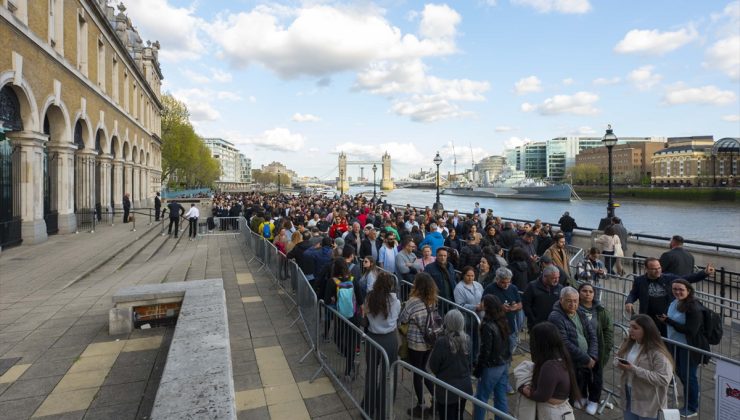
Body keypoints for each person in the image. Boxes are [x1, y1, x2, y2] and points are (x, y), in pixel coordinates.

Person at [625, 257, 714, 336]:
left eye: (659, 268)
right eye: (653, 269)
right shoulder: (640, 280)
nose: (658, 271)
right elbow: (633, 293)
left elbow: (686, 279)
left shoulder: (668, 278)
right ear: (646, 269)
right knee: (648, 340)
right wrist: (629, 301)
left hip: (666, 317)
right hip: (648, 317)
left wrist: (704, 273)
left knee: (667, 342)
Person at [656, 279, 707, 417]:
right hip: (674, 344)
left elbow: (690, 330)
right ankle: (693, 393)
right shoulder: (675, 302)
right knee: (680, 372)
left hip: (688, 347)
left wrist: (668, 321)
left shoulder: (693, 307)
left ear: (688, 291)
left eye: (681, 289)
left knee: (688, 375)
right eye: (675, 289)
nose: (677, 292)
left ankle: (692, 407)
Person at [547, 287, 599, 414]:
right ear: (561, 300)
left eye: (576, 301)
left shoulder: (580, 312)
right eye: (569, 301)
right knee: (567, 393)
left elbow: (592, 335)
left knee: (579, 389)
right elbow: (564, 343)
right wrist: (586, 358)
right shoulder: (556, 317)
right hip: (569, 362)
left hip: (584, 360)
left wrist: (592, 355)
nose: (573, 304)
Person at [615, 314, 674, 420]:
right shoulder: (628, 343)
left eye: (635, 328)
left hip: (649, 401)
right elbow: (617, 357)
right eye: (630, 327)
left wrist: (633, 369)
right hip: (629, 394)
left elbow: (664, 378)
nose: (630, 330)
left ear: (646, 330)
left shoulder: (658, 353)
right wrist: (618, 363)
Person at [519, 322, 579, 420]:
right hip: (561, 411)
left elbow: (541, 396)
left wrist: (522, 389)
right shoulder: (561, 358)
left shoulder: (550, 366)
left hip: (552, 414)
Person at [361, 271, 401, 419]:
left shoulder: (369, 298)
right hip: (389, 339)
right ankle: (384, 410)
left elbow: (365, 314)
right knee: (389, 375)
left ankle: (368, 407)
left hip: (373, 338)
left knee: (371, 373)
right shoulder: (395, 301)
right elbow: (396, 319)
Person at [398, 273, 438, 417]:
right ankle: (436, 399)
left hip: (416, 343)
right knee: (424, 370)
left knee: (417, 372)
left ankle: (420, 405)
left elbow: (403, 318)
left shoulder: (413, 301)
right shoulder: (432, 300)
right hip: (429, 342)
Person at [428, 310, 473, 420]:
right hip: (464, 388)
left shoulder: (442, 342)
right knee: (459, 415)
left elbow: (433, 366)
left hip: (446, 390)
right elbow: (470, 362)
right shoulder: (467, 339)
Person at [577, 283, 613, 415]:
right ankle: (582, 396)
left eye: (590, 291)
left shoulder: (601, 310)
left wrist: (607, 348)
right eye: (584, 291)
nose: (587, 294)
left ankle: (594, 400)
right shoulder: (575, 309)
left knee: (596, 377)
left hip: (598, 349)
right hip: (580, 349)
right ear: (579, 293)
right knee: (580, 374)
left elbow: (608, 330)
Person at [474, 295, 511, 420]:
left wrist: (478, 370)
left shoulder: (487, 325)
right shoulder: (502, 320)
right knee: (500, 397)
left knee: (481, 397)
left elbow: (485, 351)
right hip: (504, 363)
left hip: (492, 366)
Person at [484, 267, 523, 357]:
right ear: (497, 279)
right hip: (495, 326)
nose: (506, 285)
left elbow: (520, 304)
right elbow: (483, 305)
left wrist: (514, 307)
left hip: (510, 325)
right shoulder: (490, 289)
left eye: (508, 282)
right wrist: (500, 307)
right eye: (503, 283)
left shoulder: (513, 288)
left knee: (511, 346)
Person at [522, 265, 563, 331]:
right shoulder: (532, 286)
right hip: (537, 326)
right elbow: (526, 305)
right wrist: (533, 320)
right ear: (545, 276)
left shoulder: (560, 288)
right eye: (553, 278)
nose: (556, 280)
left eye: (558, 277)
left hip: (555, 325)